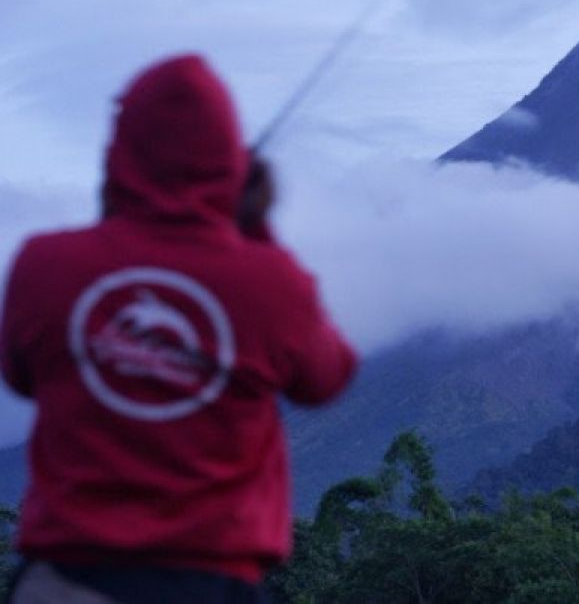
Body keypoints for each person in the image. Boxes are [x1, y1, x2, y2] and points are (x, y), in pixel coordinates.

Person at [0, 54, 358, 603]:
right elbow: (326, 379)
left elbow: (22, 375)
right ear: (229, 164)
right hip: (215, 583)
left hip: (67, 582)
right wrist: (255, 230)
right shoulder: (271, 283)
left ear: (118, 153)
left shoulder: (43, 265)